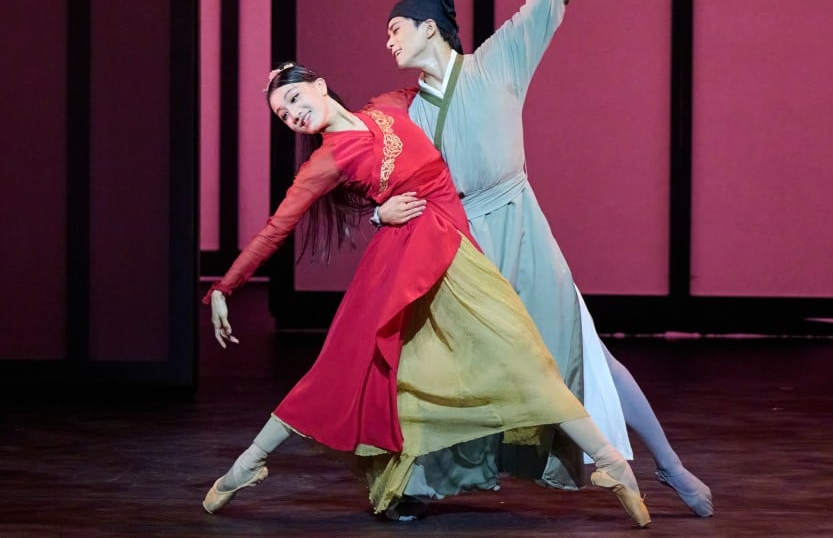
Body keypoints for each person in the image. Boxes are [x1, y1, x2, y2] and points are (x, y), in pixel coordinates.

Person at [200, 62, 651, 528]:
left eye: (294, 100)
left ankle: (611, 464)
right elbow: (277, 229)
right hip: (402, 263)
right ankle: (248, 464)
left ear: (318, 86)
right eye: (282, 115)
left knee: (524, 360)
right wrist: (224, 287)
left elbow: (446, 78)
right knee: (342, 372)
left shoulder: (389, 106)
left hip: (454, 252)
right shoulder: (326, 161)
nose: (291, 115)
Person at [374, 0, 713, 517]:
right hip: (463, 251)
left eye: (397, 29)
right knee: (443, 368)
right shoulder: (407, 114)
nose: (389, 41)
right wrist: (382, 215)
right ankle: (421, 485)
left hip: (522, 232)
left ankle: (668, 463)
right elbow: (375, 173)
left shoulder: (496, 64)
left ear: (431, 29)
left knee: (584, 357)